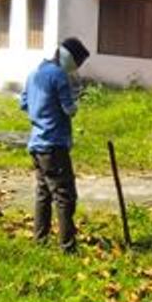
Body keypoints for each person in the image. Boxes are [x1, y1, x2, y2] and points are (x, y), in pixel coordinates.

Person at [20, 37, 90, 252]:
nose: (77, 69)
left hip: (36, 144)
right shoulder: (59, 75)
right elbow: (70, 110)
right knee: (65, 196)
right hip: (54, 144)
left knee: (43, 194)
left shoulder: (34, 73)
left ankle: (40, 240)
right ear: (70, 58)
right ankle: (68, 246)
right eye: (78, 63)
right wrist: (75, 99)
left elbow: (24, 103)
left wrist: (43, 109)